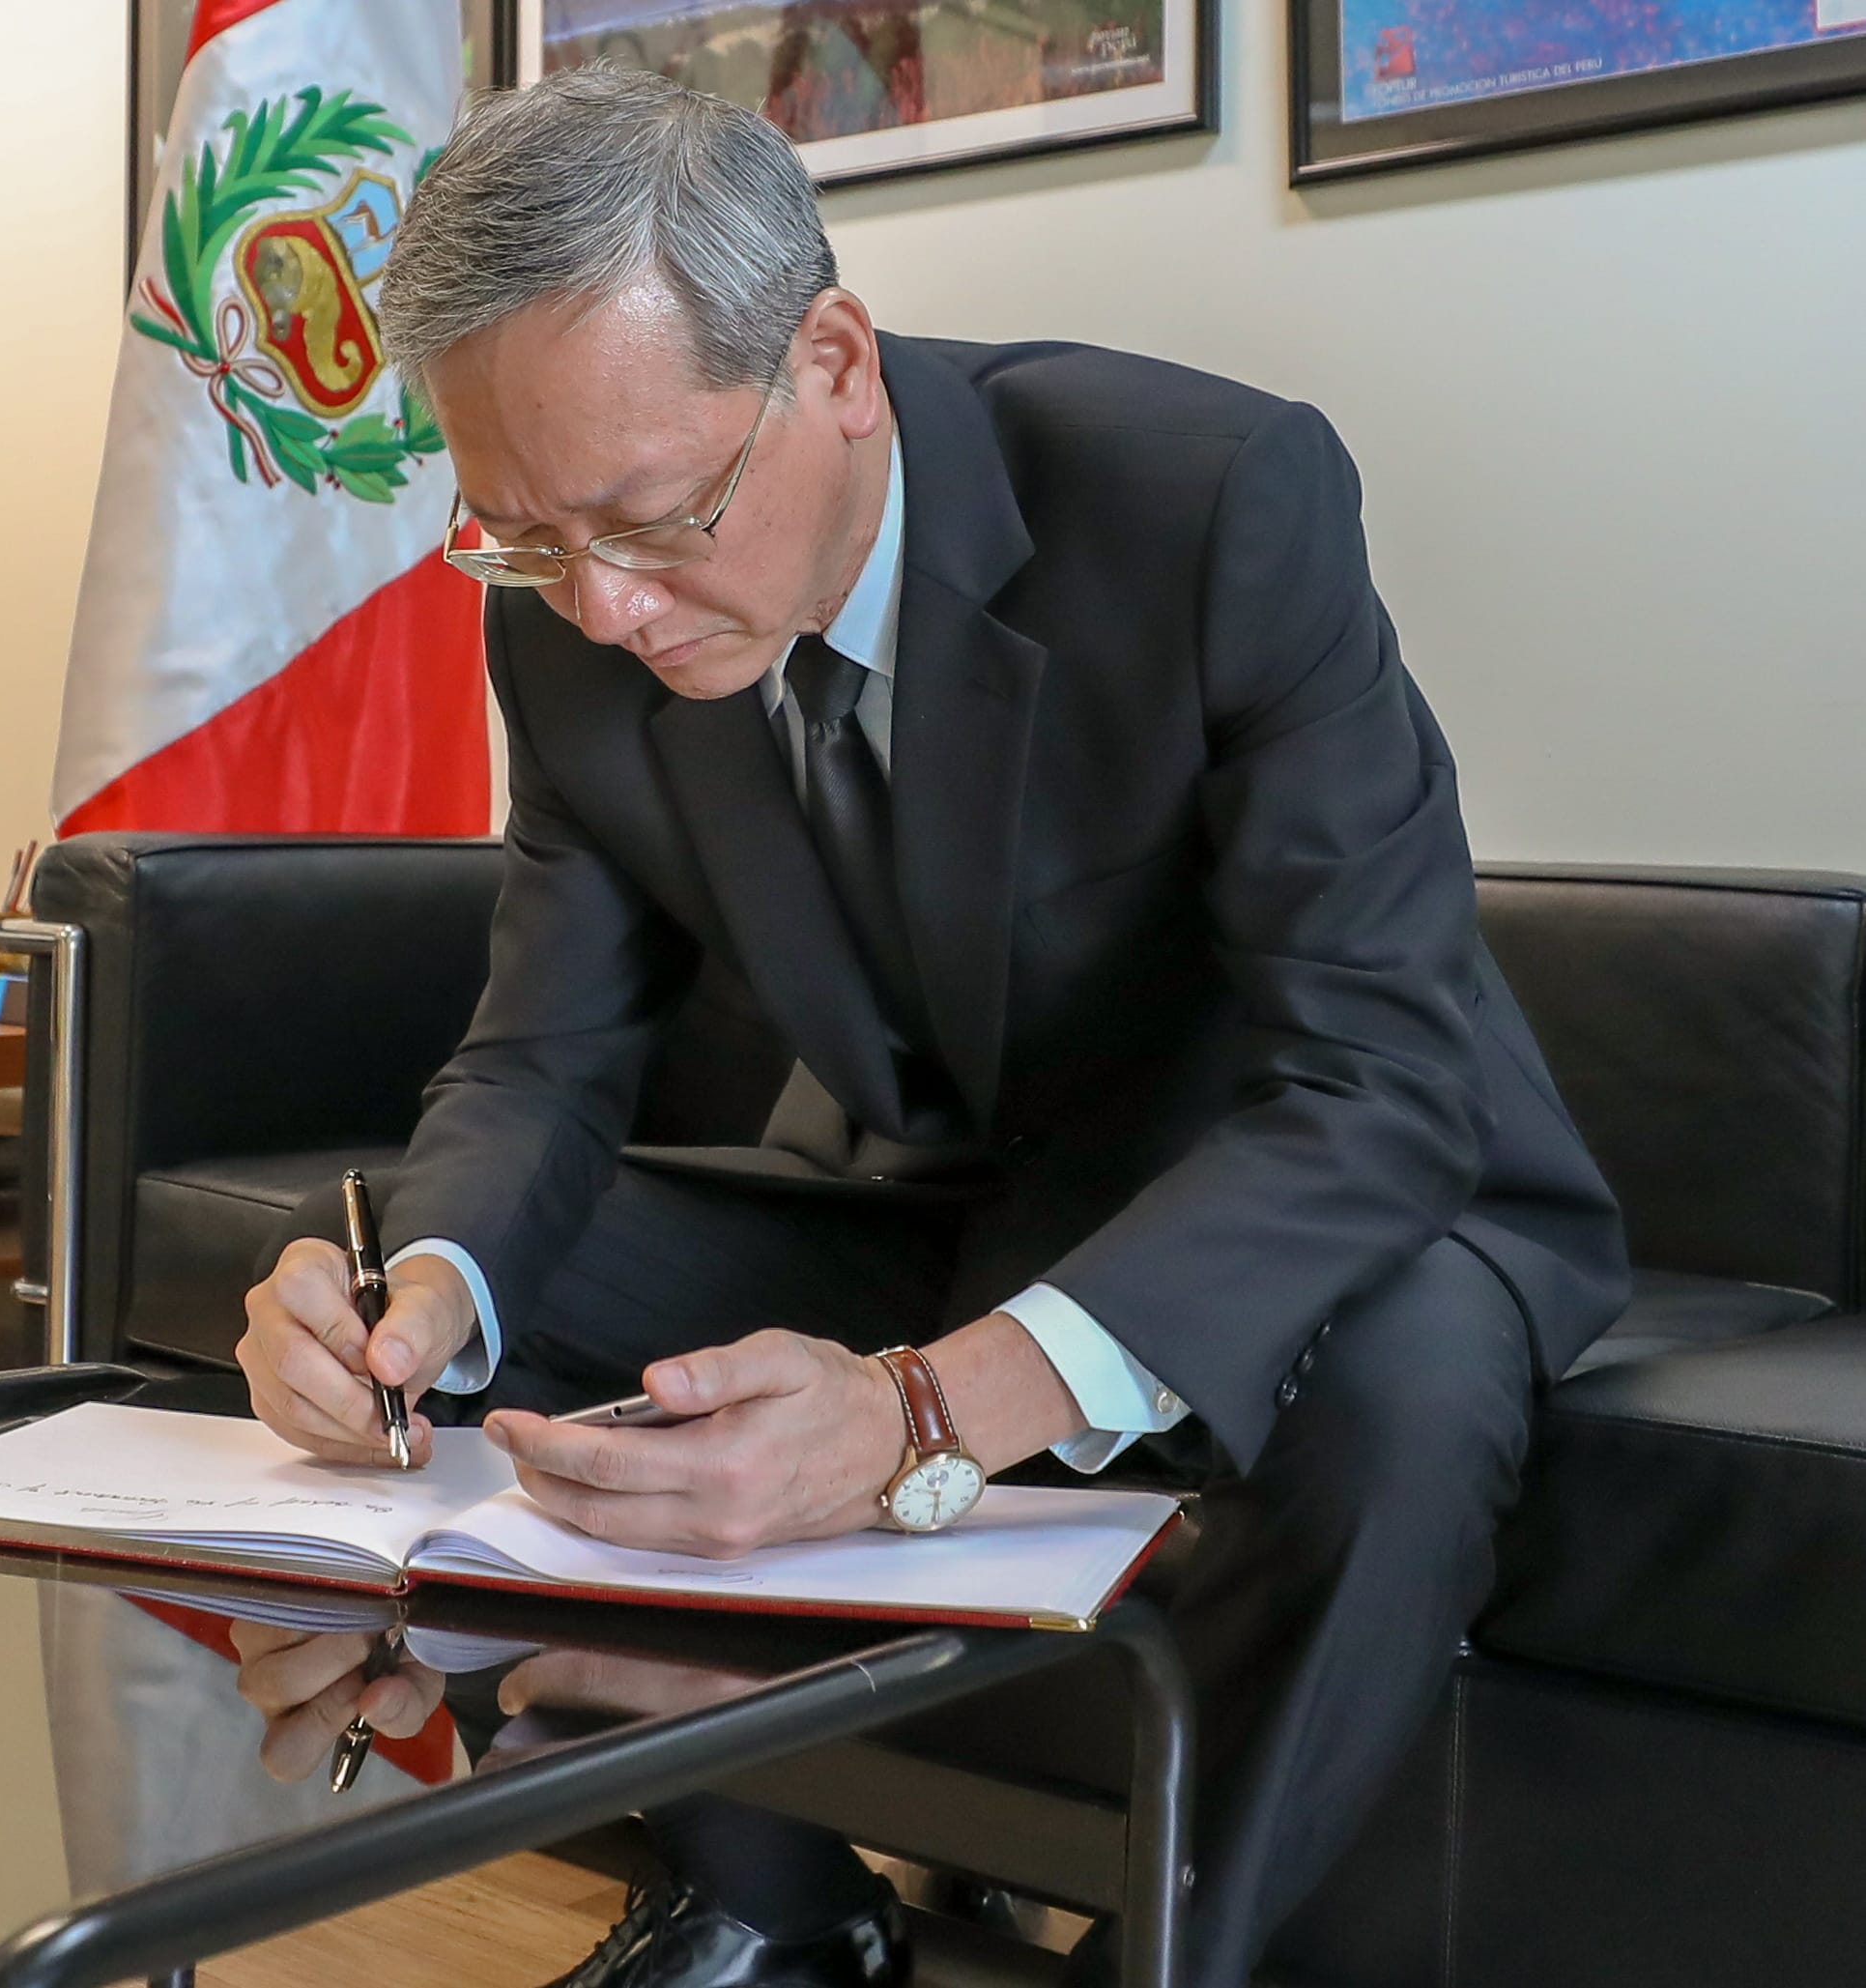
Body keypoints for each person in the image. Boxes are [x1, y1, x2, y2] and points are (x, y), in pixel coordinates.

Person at [235, 67, 1627, 1988]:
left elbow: (1382, 1085)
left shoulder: (1210, 497)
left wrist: (913, 1413)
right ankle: (785, 1917)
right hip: (986, 1195)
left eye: (655, 516)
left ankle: (1172, 1959)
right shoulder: (561, 604)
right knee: (505, 1310)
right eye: (522, 535)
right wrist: (418, 1300)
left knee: (1408, 1382)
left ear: (832, 358)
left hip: (1340, 1196)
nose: (607, 608)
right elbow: (544, 1047)